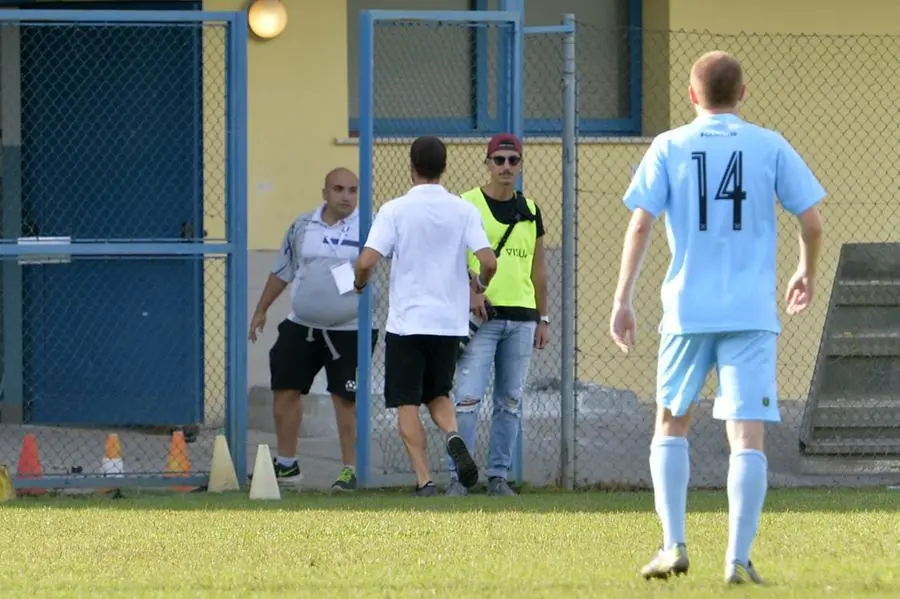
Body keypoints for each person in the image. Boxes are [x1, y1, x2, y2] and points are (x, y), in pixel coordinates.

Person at [609, 51, 825, 584]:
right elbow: (813, 222)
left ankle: (673, 545)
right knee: (746, 437)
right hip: (750, 312)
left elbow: (639, 226)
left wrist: (622, 299)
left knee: (670, 422)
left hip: (686, 309)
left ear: (690, 94)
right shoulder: (769, 144)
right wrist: (805, 271)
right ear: (743, 93)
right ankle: (738, 558)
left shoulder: (669, 145)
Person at [353, 135, 498, 497]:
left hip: (407, 323)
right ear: (444, 167)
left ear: (411, 166)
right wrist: (478, 285)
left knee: (406, 402)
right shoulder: (464, 210)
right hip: (448, 324)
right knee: (438, 394)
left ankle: (424, 480)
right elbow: (489, 261)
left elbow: (368, 260)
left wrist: (359, 282)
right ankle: (452, 436)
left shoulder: (395, 210)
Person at [249, 167, 378, 492]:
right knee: (285, 391)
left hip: (351, 330)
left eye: (352, 190)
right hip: (302, 326)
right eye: (338, 189)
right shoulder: (302, 225)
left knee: (344, 399)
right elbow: (283, 268)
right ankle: (287, 467)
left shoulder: (372, 225)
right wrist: (261, 309)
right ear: (325, 193)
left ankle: (349, 470)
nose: (345, 196)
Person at [445, 133, 550, 497]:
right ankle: (459, 478)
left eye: (513, 161)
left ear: (520, 165)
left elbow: (539, 270)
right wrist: (471, 292)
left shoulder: (531, 209)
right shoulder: (467, 204)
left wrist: (543, 318)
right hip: (482, 317)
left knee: (509, 400)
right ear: (487, 163)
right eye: (499, 160)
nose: (506, 167)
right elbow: (453, 258)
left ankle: (499, 476)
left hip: (521, 318)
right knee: (468, 399)